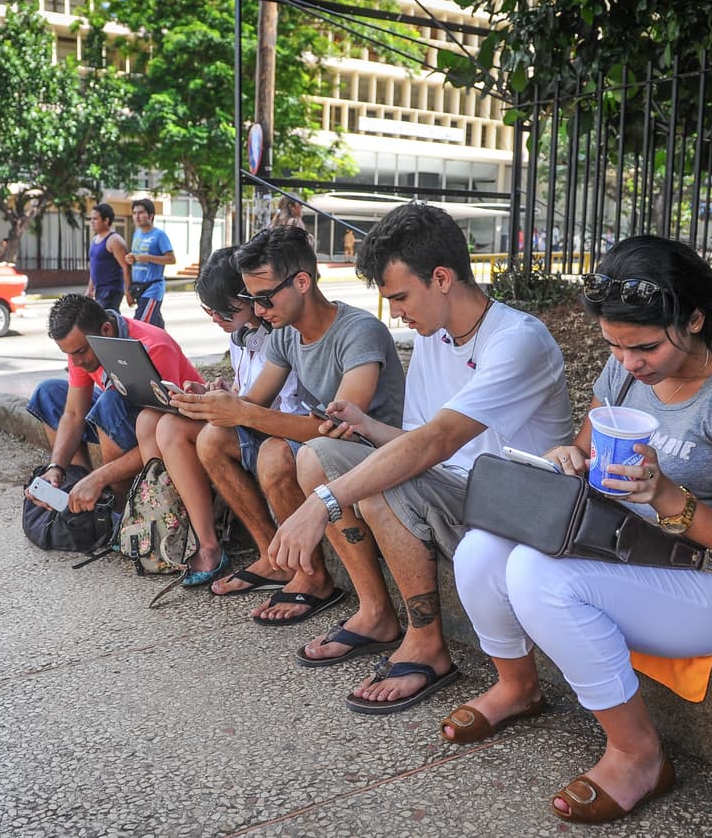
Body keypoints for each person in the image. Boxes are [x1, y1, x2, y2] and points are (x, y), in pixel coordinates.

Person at [448, 235, 712, 824]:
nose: (628, 362)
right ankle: (517, 686)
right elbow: (587, 446)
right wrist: (569, 456)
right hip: (623, 549)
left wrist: (665, 496)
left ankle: (640, 755)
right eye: (614, 345)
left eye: (644, 347)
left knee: (537, 576)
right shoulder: (624, 368)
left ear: (694, 319)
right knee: (480, 549)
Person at [267, 202, 573, 715]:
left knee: (377, 482)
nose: (396, 313)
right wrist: (365, 428)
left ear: (442, 277)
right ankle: (375, 612)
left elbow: (435, 444)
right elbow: (416, 439)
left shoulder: (517, 340)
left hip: (518, 508)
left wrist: (321, 504)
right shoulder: (435, 334)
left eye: (402, 296)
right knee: (319, 455)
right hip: (459, 489)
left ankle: (428, 644)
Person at [174, 224, 405, 624]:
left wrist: (244, 412)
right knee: (214, 438)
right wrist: (212, 402)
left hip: (375, 448)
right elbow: (254, 403)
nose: (259, 312)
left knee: (275, 453)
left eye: (264, 298)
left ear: (302, 282)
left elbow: (343, 427)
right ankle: (277, 560)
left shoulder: (359, 331)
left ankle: (316, 579)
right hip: (321, 444)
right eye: (251, 300)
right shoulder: (285, 334)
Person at [133, 247, 302, 586]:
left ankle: (253, 550)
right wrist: (216, 393)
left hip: (279, 432)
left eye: (225, 311)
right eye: (210, 311)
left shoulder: (282, 336)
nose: (216, 318)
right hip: (250, 421)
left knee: (195, 433)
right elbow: (247, 394)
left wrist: (228, 405)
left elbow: (278, 407)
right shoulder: (241, 337)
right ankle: (203, 541)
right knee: (165, 423)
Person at [24, 294, 202, 514]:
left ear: (106, 330)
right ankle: (77, 491)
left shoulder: (154, 347)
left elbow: (162, 434)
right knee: (49, 392)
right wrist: (56, 468)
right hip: (128, 415)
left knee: (109, 404)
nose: (76, 362)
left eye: (80, 352)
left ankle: (119, 509)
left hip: (169, 429)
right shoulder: (82, 347)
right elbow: (73, 414)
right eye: (70, 354)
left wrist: (100, 477)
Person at [125, 198, 176, 328]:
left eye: (141, 213)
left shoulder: (159, 235)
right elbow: (137, 257)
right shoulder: (136, 234)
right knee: (155, 325)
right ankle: (167, 347)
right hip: (138, 288)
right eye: (135, 213)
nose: (137, 216)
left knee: (140, 325)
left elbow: (171, 259)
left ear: (151, 215)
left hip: (152, 288)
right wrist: (130, 258)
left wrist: (150, 258)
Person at [86, 203, 130, 311]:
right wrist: (90, 288)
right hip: (99, 290)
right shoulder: (95, 239)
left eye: (95, 219)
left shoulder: (114, 240)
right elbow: (94, 266)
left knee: (104, 321)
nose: (92, 222)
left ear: (106, 220)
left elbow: (126, 267)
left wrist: (128, 291)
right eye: (91, 218)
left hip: (111, 290)